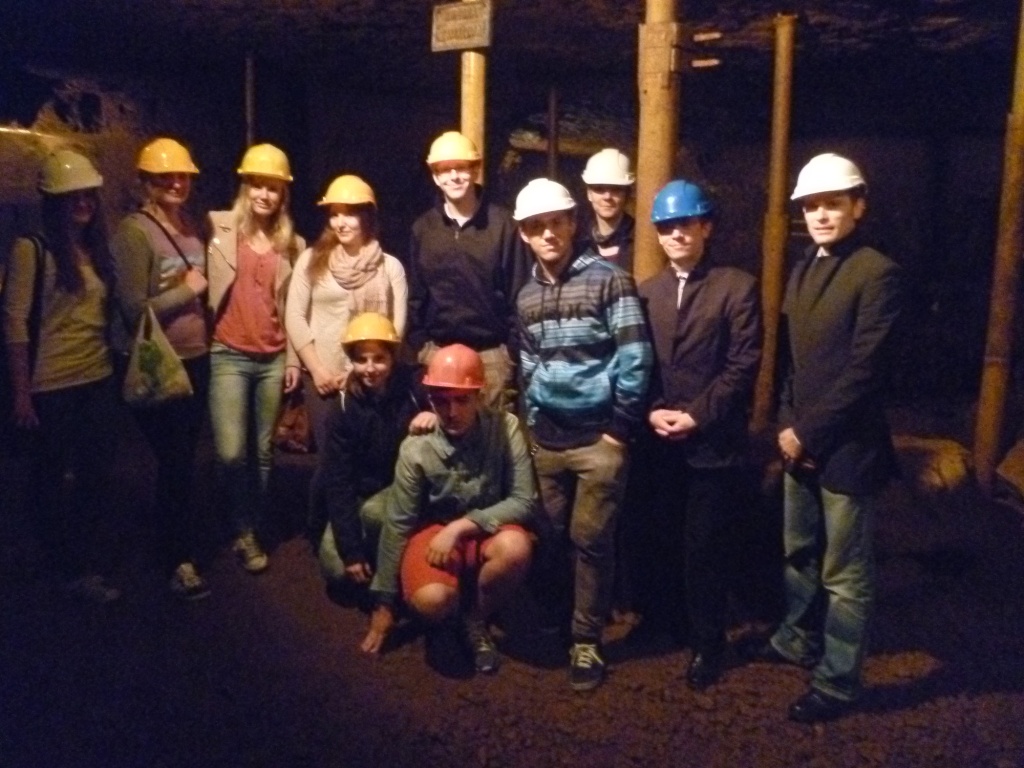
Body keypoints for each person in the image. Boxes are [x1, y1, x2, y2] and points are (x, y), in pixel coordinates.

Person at [750, 153, 902, 723]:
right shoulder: (804, 269)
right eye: (811, 205)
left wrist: (807, 432)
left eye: (832, 204)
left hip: (849, 451)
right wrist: (789, 425)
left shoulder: (876, 272)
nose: (819, 214)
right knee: (799, 552)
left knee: (844, 572)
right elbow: (794, 363)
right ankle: (797, 638)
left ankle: (838, 682)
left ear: (858, 206)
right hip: (803, 441)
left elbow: (866, 371)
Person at [514, 178, 653, 692]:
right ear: (524, 234)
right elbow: (528, 362)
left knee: (591, 541)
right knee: (549, 537)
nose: (547, 233)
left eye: (556, 222)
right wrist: (533, 420)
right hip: (548, 440)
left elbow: (635, 356)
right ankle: (557, 622)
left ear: (573, 223)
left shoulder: (609, 280)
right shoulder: (527, 295)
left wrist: (619, 429)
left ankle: (587, 641)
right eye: (536, 226)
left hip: (598, 440)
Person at [637, 179, 762, 690]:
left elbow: (742, 364)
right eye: (666, 226)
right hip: (660, 443)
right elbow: (638, 362)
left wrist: (695, 416)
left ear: (706, 227)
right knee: (661, 537)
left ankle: (709, 643)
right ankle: (666, 624)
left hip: (712, 444)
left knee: (705, 547)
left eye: (685, 224)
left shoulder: (736, 287)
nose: (676, 234)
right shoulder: (647, 292)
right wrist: (651, 410)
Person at [362, 344, 535, 675]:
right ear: (430, 400)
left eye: (462, 400)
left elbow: (524, 499)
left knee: (515, 548)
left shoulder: (504, 427)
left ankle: (476, 619)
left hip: (484, 527)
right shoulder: (417, 447)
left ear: (479, 397)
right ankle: (450, 617)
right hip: (435, 531)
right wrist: (384, 603)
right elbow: (398, 522)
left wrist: (462, 526)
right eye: (441, 401)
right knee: (432, 600)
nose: (451, 411)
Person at [1, 149, 120, 603]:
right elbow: (14, 321)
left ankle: (81, 562)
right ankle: (59, 566)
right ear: (54, 201)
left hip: (97, 376)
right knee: (50, 477)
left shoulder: (95, 249)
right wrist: (22, 393)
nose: (83, 203)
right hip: (52, 383)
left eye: (88, 195)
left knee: (95, 475)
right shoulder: (33, 249)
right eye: (73, 196)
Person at [111, 137, 212, 600]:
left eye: (182, 176)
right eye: (164, 177)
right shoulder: (134, 232)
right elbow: (134, 309)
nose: (176, 183)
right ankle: (176, 558)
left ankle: (178, 543)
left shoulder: (189, 224)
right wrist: (189, 290)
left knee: (183, 459)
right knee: (174, 460)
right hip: (159, 361)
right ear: (146, 182)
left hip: (195, 357)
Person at [206, 144, 304, 574]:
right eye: (258, 185)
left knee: (262, 451)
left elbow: (294, 308)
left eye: (274, 188)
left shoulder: (292, 244)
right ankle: (236, 517)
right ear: (245, 187)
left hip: (272, 357)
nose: (265, 194)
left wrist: (294, 359)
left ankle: (250, 527)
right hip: (228, 352)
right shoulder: (218, 227)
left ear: (284, 194)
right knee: (231, 452)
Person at [406, 131, 530, 410]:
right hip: (438, 353)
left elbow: (519, 294)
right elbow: (416, 295)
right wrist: (421, 346)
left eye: (461, 167)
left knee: (493, 434)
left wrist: (510, 354)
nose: (454, 176)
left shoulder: (502, 226)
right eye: (445, 170)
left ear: (475, 170)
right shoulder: (423, 229)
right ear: (435, 176)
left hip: (491, 357)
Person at [284, 174, 407, 454]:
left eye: (350, 214)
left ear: (367, 216)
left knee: (369, 456)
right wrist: (317, 370)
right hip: (322, 378)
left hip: (370, 376)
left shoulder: (390, 267)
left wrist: (357, 369)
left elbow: (396, 328)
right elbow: (294, 316)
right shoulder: (311, 260)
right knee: (330, 458)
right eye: (334, 214)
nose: (340, 222)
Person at [313, 312, 435, 590]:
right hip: (361, 493)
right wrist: (352, 551)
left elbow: (451, 407)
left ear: (392, 357)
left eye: (379, 358)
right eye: (361, 359)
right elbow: (339, 481)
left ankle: (396, 566)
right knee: (336, 570)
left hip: (405, 489)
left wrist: (433, 413)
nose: (370, 368)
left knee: (376, 514)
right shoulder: (344, 408)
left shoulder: (413, 385)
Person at [577, 148, 636, 273]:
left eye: (616, 189)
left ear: (627, 194)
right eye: (599, 189)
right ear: (589, 194)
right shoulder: (577, 241)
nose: (607, 197)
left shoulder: (640, 239)